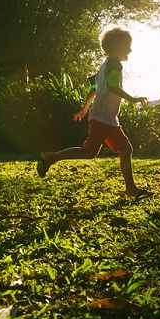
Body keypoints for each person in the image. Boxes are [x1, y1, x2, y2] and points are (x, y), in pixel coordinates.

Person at [37, 27, 149, 197]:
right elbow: (112, 86)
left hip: (105, 117)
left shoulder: (105, 65)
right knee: (103, 151)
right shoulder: (114, 64)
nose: (130, 50)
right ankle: (51, 157)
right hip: (103, 118)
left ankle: (131, 188)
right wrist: (133, 99)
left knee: (118, 150)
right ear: (116, 46)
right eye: (127, 45)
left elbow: (94, 88)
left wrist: (84, 109)